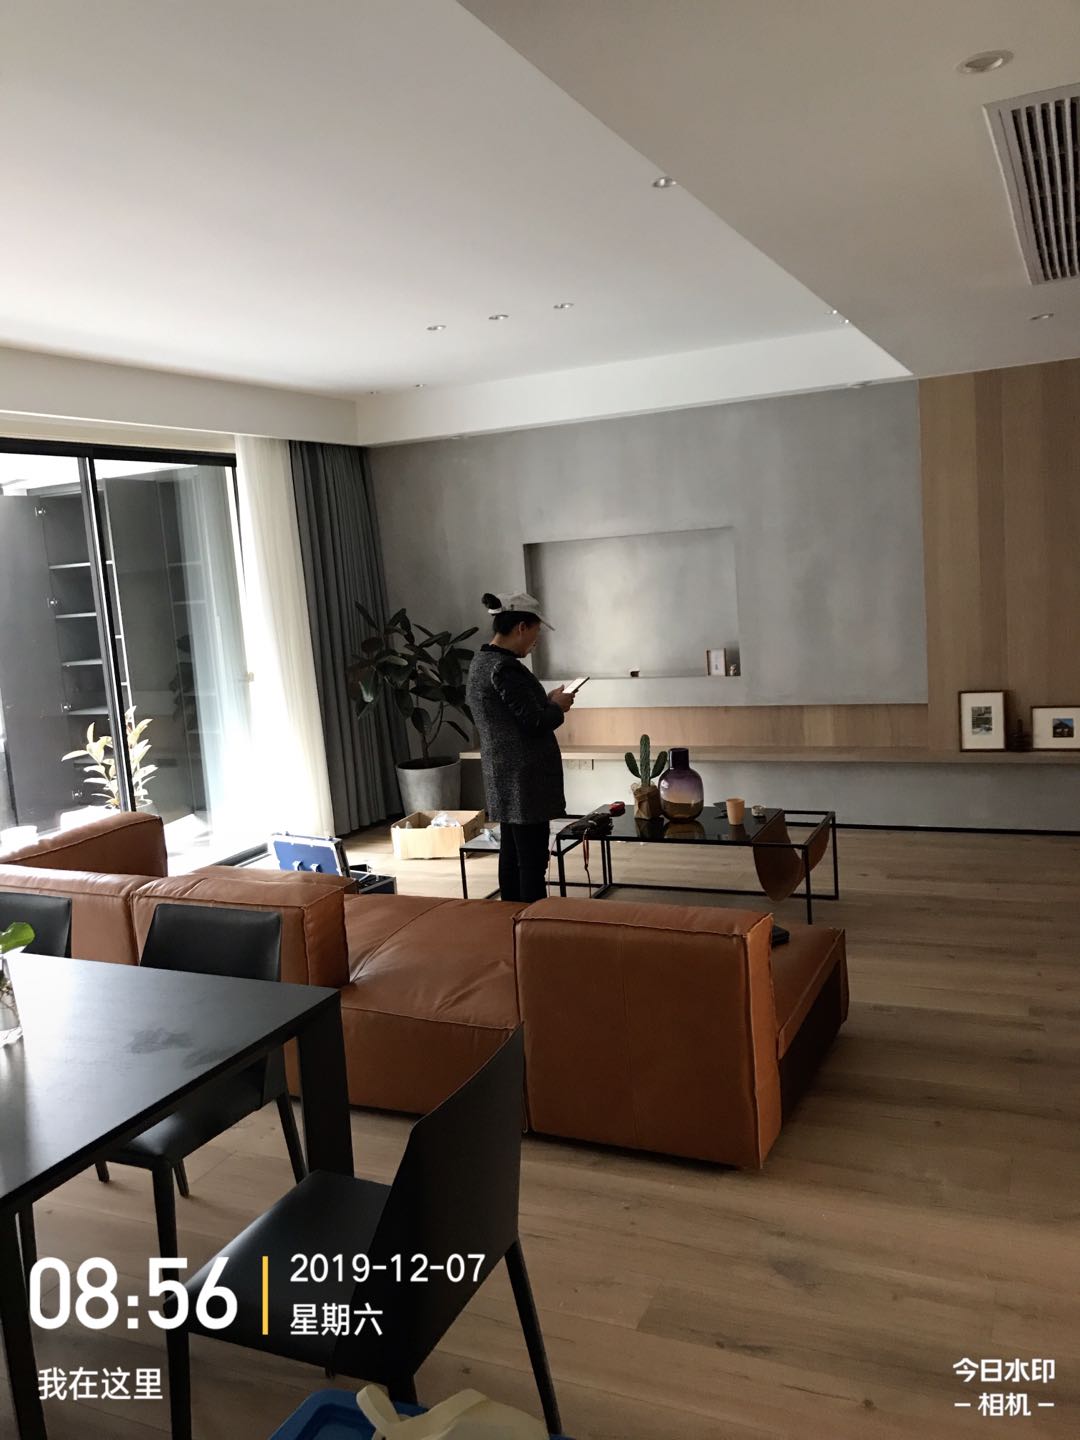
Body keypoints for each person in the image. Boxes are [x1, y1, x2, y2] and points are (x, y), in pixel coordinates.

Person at [466, 591, 575, 902]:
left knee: (512, 853)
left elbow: (511, 714)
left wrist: (546, 701)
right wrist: (559, 707)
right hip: (525, 778)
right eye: (536, 632)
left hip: (502, 772)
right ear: (521, 628)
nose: (536, 641)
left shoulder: (481, 662)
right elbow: (534, 723)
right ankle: (532, 919)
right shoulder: (505, 668)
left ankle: (510, 915)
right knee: (532, 860)